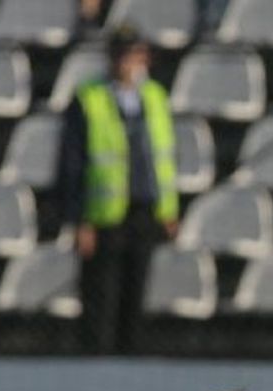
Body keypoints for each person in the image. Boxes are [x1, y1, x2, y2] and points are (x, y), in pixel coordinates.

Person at [57, 25, 178, 353]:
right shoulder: (89, 98)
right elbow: (72, 163)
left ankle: (130, 360)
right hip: (104, 216)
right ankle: (96, 364)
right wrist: (79, 219)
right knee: (100, 300)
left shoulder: (155, 97)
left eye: (132, 54)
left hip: (144, 210)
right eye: (121, 54)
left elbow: (163, 159)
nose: (126, 62)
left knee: (134, 297)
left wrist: (168, 210)